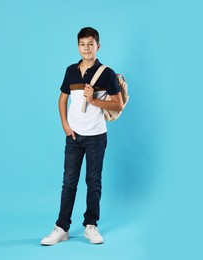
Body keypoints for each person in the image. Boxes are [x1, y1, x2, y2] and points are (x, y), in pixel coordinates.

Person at [41, 27, 123, 246]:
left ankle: (90, 225)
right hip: (74, 137)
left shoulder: (106, 73)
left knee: (93, 182)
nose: (86, 48)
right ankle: (62, 227)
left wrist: (94, 100)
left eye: (90, 43)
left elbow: (118, 104)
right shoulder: (70, 70)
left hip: (97, 136)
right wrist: (66, 126)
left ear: (98, 46)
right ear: (78, 46)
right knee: (69, 183)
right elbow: (62, 99)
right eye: (82, 44)